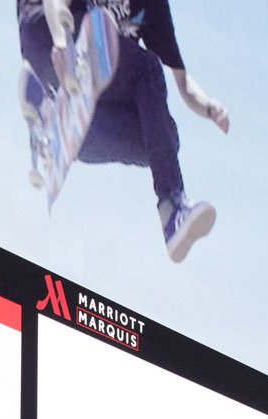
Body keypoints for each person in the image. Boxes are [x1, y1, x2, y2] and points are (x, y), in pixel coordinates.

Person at [19, 0, 229, 262]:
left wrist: (208, 106)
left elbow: (183, 84)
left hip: (83, 76)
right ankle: (171, 204)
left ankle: (55, 122)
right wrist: (60, 40)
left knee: (165, 138)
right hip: (46, 26)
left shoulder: (154, 8)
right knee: (147, 68)